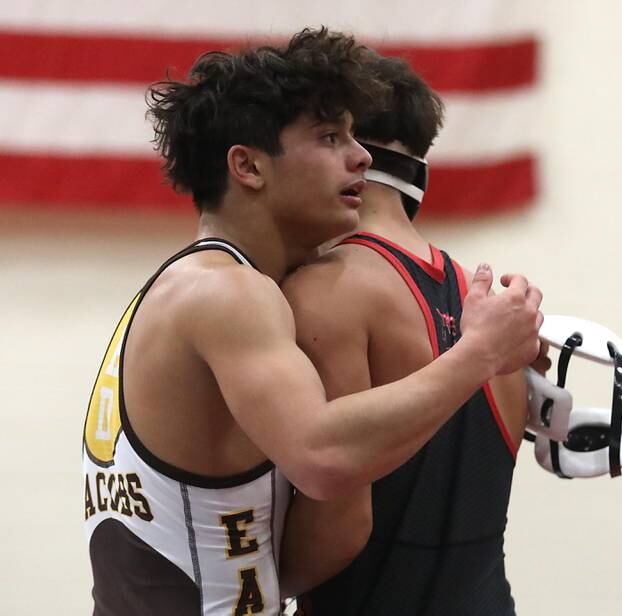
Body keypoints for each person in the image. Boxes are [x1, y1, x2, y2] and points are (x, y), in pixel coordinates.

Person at [81, 28, 544, 616]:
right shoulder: (228, 293)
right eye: (330, 137)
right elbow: (322, 460)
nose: (361, 156)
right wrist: (477, 354)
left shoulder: (205, 286)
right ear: (247, 166)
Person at [280, 53, 548, 616]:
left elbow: (341, 526)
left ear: (346, 148)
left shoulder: (327, 292)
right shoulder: (497, 313)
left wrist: (234, 589)